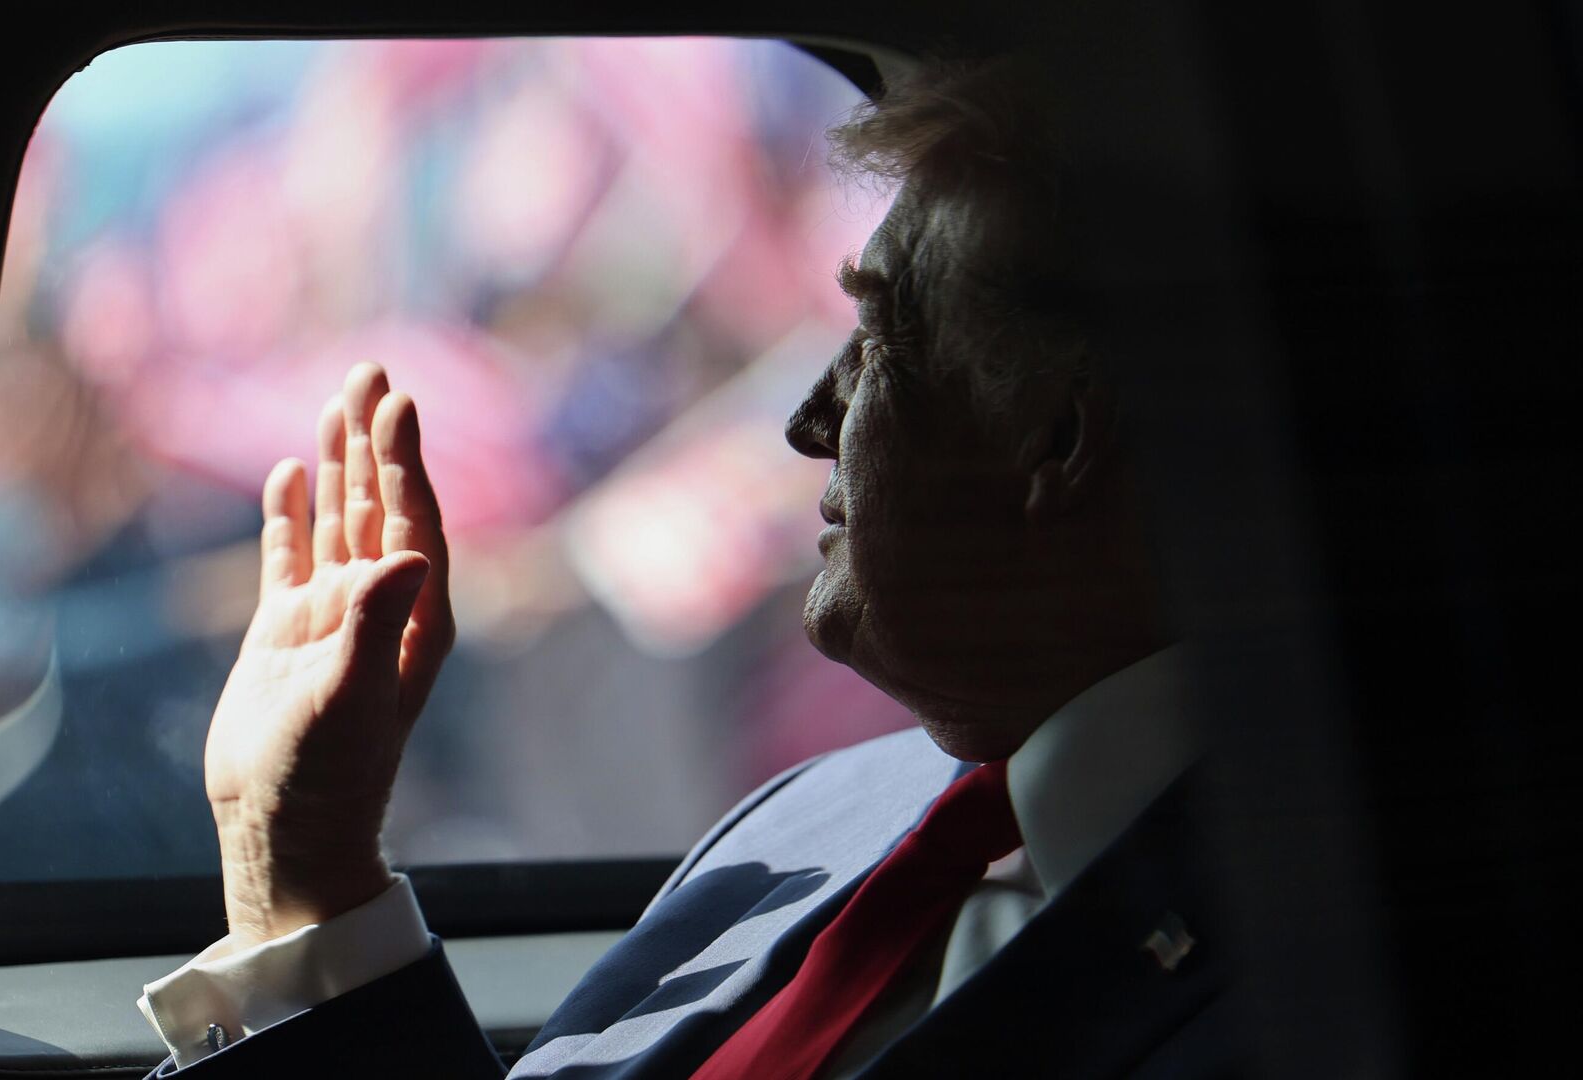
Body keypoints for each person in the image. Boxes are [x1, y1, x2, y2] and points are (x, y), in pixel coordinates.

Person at [134, 54, 1231, 1078]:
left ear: (1058, 440)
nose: (809, 421)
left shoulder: (1292, 953)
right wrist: (302, 874)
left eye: (885, 344)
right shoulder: (808, 821)